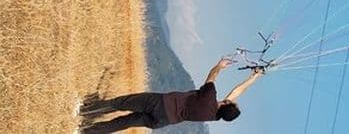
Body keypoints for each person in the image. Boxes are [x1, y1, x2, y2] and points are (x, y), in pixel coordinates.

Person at [79, 57, 263, 133]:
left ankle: (84, 111)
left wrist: (220, 65)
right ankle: (86, 132)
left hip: (159, 103)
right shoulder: (212, 116)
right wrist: (253, 77)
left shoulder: (209, 96)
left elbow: (212, 76)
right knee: (122, 123)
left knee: (120, 103)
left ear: (227, 104)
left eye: (233, 103)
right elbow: (236, 93)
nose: (233, 99)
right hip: (161, 121)